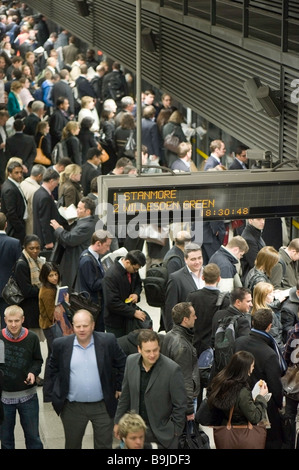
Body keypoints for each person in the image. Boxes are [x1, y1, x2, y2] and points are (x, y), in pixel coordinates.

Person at [49, 309, 126, 449]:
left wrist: (119, 387)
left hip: (103, 407)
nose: (81, 329)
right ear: (73, 326)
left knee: (104, 446)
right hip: (72, 408)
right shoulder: (61, 344)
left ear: (93, 325)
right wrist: (56, 394)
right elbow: (52, 369)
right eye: (78, 326)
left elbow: (122, 363)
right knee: (72, 445)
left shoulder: (108, 341)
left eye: (85, 325)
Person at [114, 329, 187, 449]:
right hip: (137, 431)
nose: (152, 355)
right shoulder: (130, 361)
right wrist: (118, 421)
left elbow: (180, 404)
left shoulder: (172, 370)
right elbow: (125, 397)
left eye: (155, 350)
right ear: (139, 349)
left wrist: (176, 432)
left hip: (162, 434)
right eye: (148, 351)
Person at [234, 308, 286, 449]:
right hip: (263, 407)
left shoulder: (238, 342)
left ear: (252, 322)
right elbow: (276, 386)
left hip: (238, 403)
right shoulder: (269, 353)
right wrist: (280, 404)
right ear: (269, 326)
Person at [0, 305, 43, 449]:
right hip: (4, 399)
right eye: (10, 321)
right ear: (4, 320)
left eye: (17, 321)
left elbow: (38, 360)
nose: (13, 325)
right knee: (6, 441)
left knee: (33, 439)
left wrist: (33, 372)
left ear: (23, 319)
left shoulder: (32, 338)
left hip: (28, 397)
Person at [186, 263, 230, 403]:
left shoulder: (193, 297)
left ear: (203, 277)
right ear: (219, 279)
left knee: (194, 381)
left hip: (195, 343)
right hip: (214, 347)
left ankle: (196, 414)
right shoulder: (225, 300)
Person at [206, 350, 268, 430]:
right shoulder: (242, 391)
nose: (253, 368)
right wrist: (261, 396)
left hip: (222, 428)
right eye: (252, 366)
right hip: (239, 431)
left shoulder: (220, 380)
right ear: (246, 368)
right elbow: (255, 417)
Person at [38, 261, 72, 403]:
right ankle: (50, 392)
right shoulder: (47, 291)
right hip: (51, 327)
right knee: (54, 359)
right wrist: (65, 303)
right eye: (51, 275)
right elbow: (51, 314)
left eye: (55, 274)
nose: (54, 277)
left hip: (51, 326)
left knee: (52, 357)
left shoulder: (52, 288)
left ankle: (49, 392)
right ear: (45, 276)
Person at [161, 302, 200, 420]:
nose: (196, 317)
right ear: (185, 319)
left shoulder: (169, 335)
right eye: (193, 315)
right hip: (184, 400)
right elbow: (185, 378)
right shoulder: (182, 346)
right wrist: (189, 409)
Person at [50, 196, 97, 290]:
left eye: (80, 208)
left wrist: (58, 229)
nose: (77, 210)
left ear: (88, 211)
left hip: (75, 261)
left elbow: (70, 239)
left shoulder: (87, 225)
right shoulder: (83, 221)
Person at [102, 249, 146, 338]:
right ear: (127, 262)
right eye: (135, 269)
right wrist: (133, 312)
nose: (136, 272)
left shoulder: (133, 271)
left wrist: (136, 294)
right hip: (115, 322)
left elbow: (138, 284)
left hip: (128, 319)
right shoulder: (111, 276)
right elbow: (112, 303)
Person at [164, 243, 204, 332]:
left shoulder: (208, 273)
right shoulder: (176, 278)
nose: (197, 262)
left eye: (199, 258)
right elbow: (170, 309)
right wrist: (172, 334)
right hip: (188, 331)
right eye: (193, 259)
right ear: (185, 260)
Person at [78, 229, 112, 332]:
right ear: (98, 244)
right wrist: (109, 277)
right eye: (107, 245)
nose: (108, 249)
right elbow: (93, 284)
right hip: (93, 306)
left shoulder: (94, 256)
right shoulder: (87, 260)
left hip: (97, 304)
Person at [32, 167, 65, 250]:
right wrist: (48, 241)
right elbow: (44, 220)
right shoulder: (45, 197)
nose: (57, 185)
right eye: (56, 182)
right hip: (45, 240)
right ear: (51, 181)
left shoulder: (38, 192)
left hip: (39, 235)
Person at [0, 212, 22, 328]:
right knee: (7, 324)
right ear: (6, 225)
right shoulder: (14, 243)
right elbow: (19, 267)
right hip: (8, 290)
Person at [251, 281, 284, 351]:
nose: (273, 295)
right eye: (270, 294)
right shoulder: (267, 315)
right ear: (263, 297)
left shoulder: (252, 310)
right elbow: (275, 337)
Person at [0, 160, 27, 244]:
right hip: (14, 230)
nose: (19, 175)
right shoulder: (9, 188)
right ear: (9, 173)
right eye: (16, 173)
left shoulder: (13, 185)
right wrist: (20, 228)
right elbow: (11, 212)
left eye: (21, 172)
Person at [283, 317, 299, 448]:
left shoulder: (293, 332)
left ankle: (288, 444)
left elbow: (286, 358)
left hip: (294, 380)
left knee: (289, 414)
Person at [20, 163, 46, 236]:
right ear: (40, 176)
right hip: (32, 222)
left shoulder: (22, 183)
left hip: (22, 221)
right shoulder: (37, 190)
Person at [240, 218, 266, 282]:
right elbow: (255, 263)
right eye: (259, 219)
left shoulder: (256, 233)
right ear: (250, 220)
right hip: (253, 278)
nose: (262, 222)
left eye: (263, 219)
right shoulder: (249, 239)